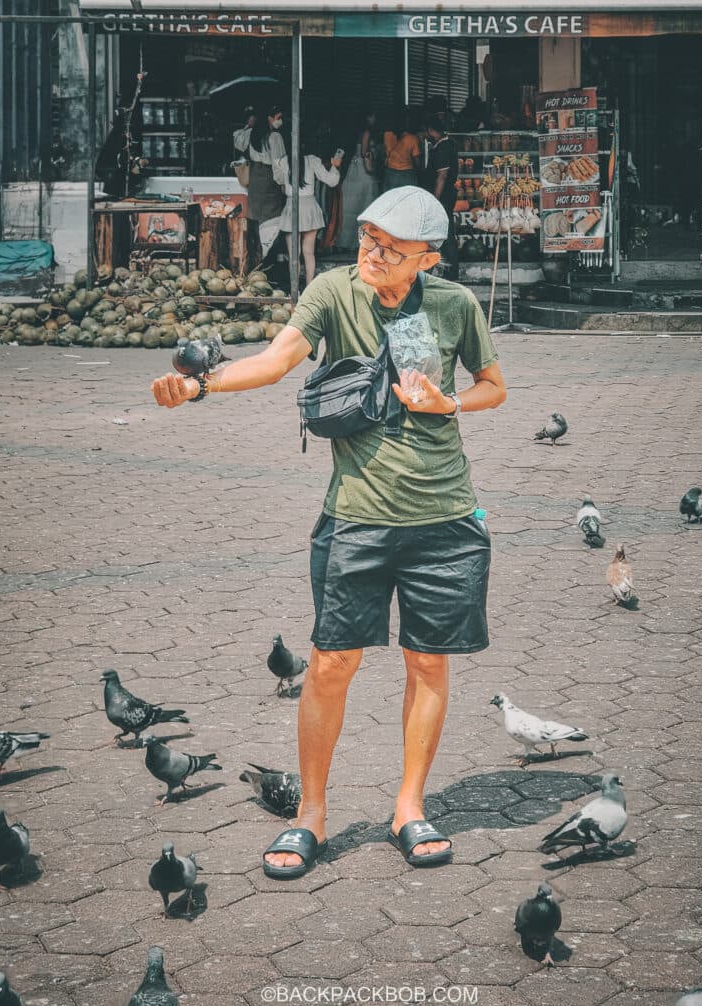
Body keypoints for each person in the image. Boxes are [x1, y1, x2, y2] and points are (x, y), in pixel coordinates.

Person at [150, 186, 507, 879]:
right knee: (330, 664)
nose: (371, 254)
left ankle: (409, 806)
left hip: (446, 517)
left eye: (390, 250)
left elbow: (494, 385)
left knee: (429, 663)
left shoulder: (456, 305)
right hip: (357, 517)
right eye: (369, 239)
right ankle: (309, 813)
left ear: (426, 258)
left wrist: (450, 400)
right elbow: (279, 358)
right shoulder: (333, 292)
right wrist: (202, 386)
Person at [275, 131, 342, 285]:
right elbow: (332, 181)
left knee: (294, 256)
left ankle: (294, 291)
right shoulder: (312, 160)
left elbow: (281, 186)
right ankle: (309, 288)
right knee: (309, 253)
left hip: (292, 206)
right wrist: (334, 166)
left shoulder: (282, 162)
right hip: (310, 207)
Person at [246, 105, 287, 265]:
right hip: (270, 183)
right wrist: (283, 183)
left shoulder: (252, 135)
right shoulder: (275, 137)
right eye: (278, 117)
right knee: (273, 220)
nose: (280, 121)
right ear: (269, 118)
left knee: (258, 221)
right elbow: (279, 164)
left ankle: (256, 257)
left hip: (256, 182)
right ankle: (266, 258)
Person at [335, 109, 380, 250]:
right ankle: (361, 241)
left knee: (354, 204)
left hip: (356, 167)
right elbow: (364, 152)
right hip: (362, 169)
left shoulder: (360, 132)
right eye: (373, 116)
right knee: (364, 201)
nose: (375, 119)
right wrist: (370, 167)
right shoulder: (367, 132)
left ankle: (350, 241)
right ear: (368, 117)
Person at [423, 116, 459, 281]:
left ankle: (451, 270)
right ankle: (445, 269)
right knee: (443, 231)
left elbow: (442, 177)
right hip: (444, 196)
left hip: (442, 197)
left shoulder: (443, 148)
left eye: (427, 131)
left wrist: (435, 201)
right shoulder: (444, 145)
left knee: (446, 233)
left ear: (431, 131)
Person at [382, 110, 421, 191]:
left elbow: (384, 152)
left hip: (390, 173)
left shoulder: (387, 134)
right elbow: (417, 162)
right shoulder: (412, 138)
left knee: (391, 200)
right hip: (407, 174)